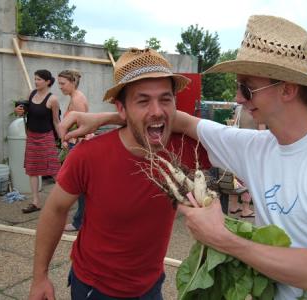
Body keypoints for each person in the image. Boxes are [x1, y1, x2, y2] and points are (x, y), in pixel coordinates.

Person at [173, 15, 307, 299]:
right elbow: (182, 122)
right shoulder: (256, 148)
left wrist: (223, 239)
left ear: (287, 89)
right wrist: (106, 117)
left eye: (246, 88)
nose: (238, 98)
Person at [28, 48, 210, 300]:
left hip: (151, 286)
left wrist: (110, 117)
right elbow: (55, 210)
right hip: (96, 288)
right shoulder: (89, 155)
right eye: (143, 100)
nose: (157, 111)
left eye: (166, 99)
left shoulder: (186, 148)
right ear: (121, 108)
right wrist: (40, 277)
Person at [14, 69, 61, 214]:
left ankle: (64, 199)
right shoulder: (32, 93)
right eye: (35, 79)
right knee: (32, 170)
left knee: (54, 169)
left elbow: (56, 121)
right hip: (32, 137)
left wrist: (63, 138)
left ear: (47, 81)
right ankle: (35, 202)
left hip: (46, 137)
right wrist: (20, 111)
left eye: (39, 79)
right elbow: (26, 111)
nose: (36, 82)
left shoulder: (52, 99)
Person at [57, 69, 90, 232]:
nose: (60, 87)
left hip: (77, 145)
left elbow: (84, 127)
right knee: (80, 185)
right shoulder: (76, 96)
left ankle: (79, 221)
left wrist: (69, 138)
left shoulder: (77, 100)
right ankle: (82, 219)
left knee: (78, 185)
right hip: (74, 144)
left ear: (72, 82)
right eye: (59, 84)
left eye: (63, 84)